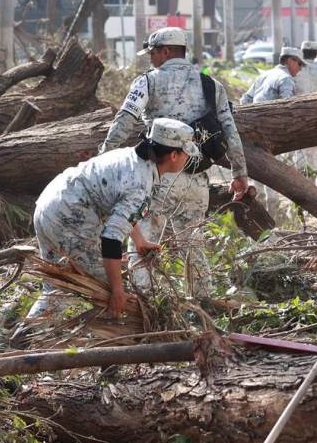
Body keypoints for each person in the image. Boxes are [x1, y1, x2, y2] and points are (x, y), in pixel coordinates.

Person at [100, 27, 250, 298]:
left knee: (144, 243)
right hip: (195, 179)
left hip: (156, 178)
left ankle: (146, 305)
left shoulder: (148, 82)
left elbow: (125, 121)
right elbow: (230, 130)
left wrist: (103, 157)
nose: (151, 59)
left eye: (153, 53)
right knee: (193, 246)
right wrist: (240, 172)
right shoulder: (211, 84)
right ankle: (202, 306)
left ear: (166, 51)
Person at [27, 118, 201, 321]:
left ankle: (24, 336)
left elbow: (122, 209)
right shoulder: (140, 184)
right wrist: (117, 291)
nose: (187, 157)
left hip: (52, 204)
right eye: (186, 152)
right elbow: (111, 239)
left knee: (59, 284)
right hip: (69, 217)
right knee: (104, 289)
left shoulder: (133, 158)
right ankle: (108, 338)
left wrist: (140, 241)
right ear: (173, 155)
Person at [292, 41, 317, 179]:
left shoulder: (295, 71)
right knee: (312, 154)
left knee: (299, 153)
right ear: (316, 54)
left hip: (295, 118)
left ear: (302, 53)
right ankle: (311, 185)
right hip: (315, 120)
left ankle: (300, 186)